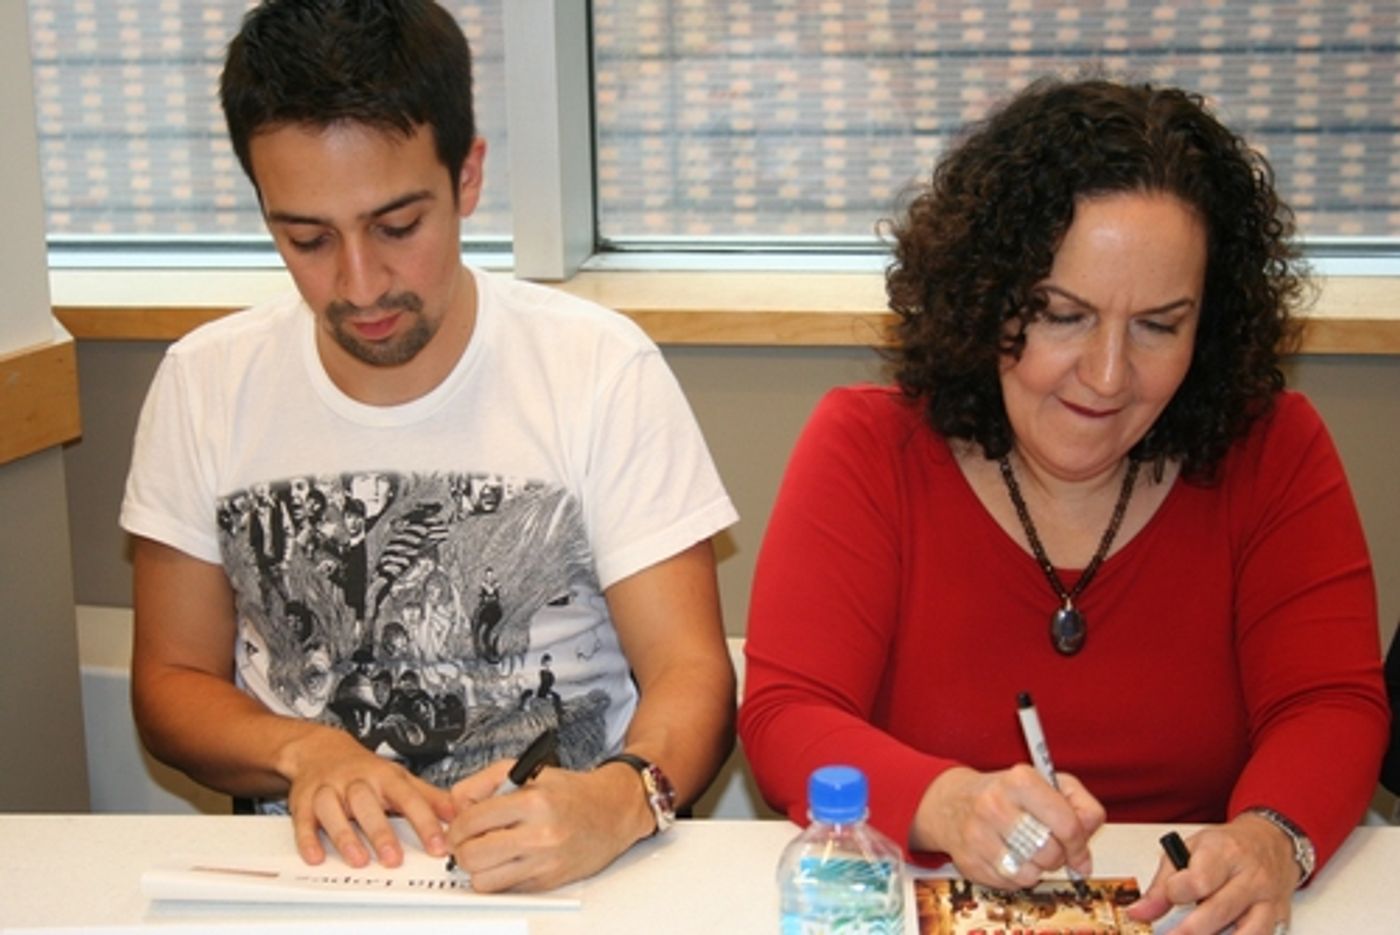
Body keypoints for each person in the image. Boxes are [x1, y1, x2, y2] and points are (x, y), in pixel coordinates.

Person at [738, 75, 1388, 935]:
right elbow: (789, 714)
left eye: (1159, 324)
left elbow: (1331, 703)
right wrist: (947, 801)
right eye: (1063, 314)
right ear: (985, 296)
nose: (1109, 375)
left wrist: (1271, 839)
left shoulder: (1275, 449)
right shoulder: (869, 446)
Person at [121, 0, 738, 893]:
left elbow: (690, 669)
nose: (360, 283)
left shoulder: (598, 367)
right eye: (307, 238)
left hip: (572, 872)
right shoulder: (205, 383)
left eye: (398, 227)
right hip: (311, 878)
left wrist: (621, 796)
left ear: (469, 175)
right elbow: (170, 682)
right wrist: (304, 749)